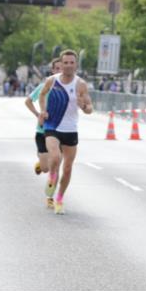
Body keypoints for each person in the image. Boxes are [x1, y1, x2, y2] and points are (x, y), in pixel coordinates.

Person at [38, 50, 93, 215]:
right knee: (55, 157)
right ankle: (52, 176)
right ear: (60, 64)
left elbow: (90, 109)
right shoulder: (51, 81)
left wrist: (84, 106)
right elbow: (42, 95)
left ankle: (59, 199)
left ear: (76, 65)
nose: (68, 65)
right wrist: (43, 110)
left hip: (70, 129)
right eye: (65, 63)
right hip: (52, 126)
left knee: (68, 168)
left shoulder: (80, 84)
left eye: (72, 62)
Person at [25, 59, 62, 206]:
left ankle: (50, 198)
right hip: (42, 131)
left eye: (62, 68)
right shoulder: (43, 87)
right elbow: (28, 101)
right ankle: (41, 165)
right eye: (57, 68)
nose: (60, 71)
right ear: (52, 70)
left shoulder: (69, 88)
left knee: (56, 165)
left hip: (60, 132)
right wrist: (37, 114)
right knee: (47, 168)